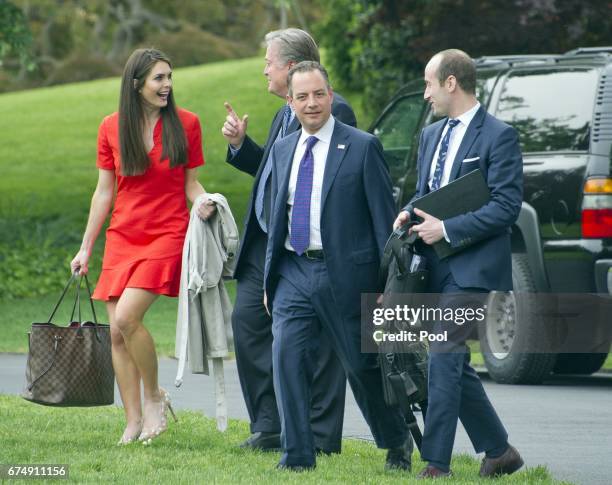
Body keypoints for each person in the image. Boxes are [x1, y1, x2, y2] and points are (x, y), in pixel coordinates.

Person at [264, 61, 412, 471]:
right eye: (302, 97)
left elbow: (386, 220)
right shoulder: (281, 149)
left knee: (361, 366)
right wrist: (269, 280)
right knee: (286, 358)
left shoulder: (362, 146)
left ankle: (396, 440)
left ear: (330, 95)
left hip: (348, 276)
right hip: (293, 272)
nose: (311, 103)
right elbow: (277, 217)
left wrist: (387, 285)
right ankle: (297, 455)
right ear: (290, 102)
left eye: (318, 94)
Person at [70, 48, 215, 446]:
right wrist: (86, 248)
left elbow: (191, 182)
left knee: (126, 318)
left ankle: (154, 396)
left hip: (167, 232)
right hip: (123, 236)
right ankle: (132, 421)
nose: (167, 85)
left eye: (169, 77)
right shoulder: (110, 127)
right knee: (117, 335)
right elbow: (104, 193)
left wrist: (202, 200)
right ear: (137, 85)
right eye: (159, 78)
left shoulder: (187, 124)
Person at [221, 28, 355, 453]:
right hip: (268, 242)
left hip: (310, 248)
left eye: (269, 62)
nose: (264, 69)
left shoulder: (337, 112)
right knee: (248, 323)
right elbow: (280, 173)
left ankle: (320, 437)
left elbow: (332, 181)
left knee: (321, 343)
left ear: (293, 67)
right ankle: (269, 425)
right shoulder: (284, 113)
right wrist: (242, 148)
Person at [393, 49, 524, 478]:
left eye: (429, 83)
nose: (425, 93)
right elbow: (428, 191)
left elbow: (506, 207)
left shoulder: (499, 136)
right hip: (434, 266)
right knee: (453, 362)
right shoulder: (432, 134)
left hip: (474, 268)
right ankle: (499, 451)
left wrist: (447, 229)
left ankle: (436, 463)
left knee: (445, 354)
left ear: (452, 82)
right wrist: (409, 213)